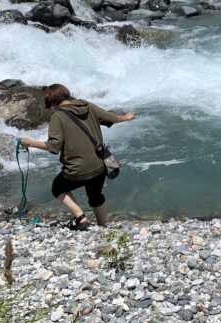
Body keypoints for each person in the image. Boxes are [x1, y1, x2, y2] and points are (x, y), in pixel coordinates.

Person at [19, 84, 135, 229]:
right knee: (95, 196)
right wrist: (127, 117)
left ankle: (80, 216)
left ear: (52, 102)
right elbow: (111, 118)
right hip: (100, 166)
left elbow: (53, 146)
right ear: (66, 94)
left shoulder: (58, 116)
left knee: (57, 187)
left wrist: (29, 143)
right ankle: (102, 226)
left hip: (77, 170)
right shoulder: (87, 106)